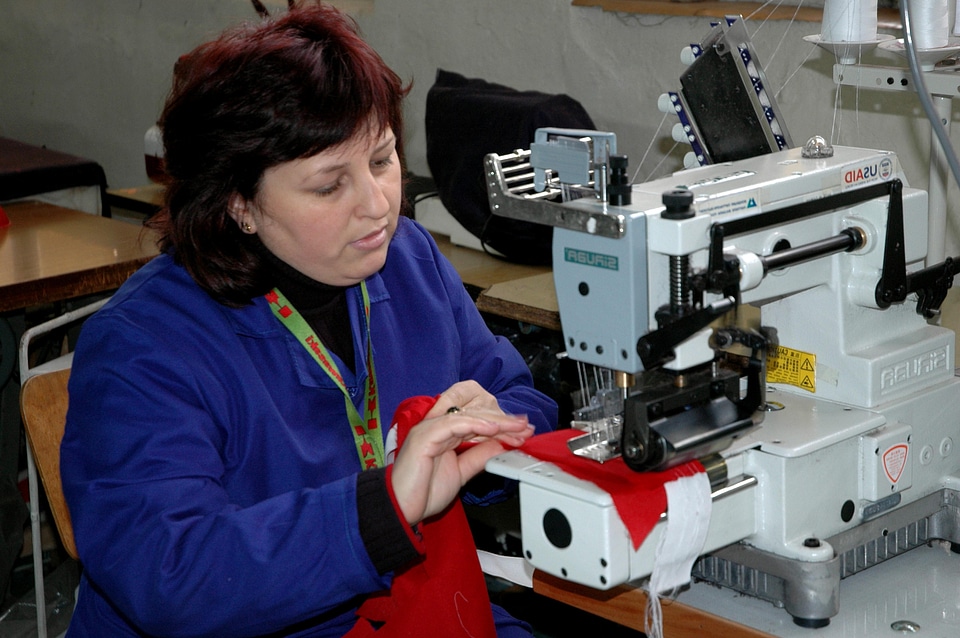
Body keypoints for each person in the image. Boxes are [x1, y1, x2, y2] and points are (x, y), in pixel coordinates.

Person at [59, 3, 557, 636]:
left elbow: (518, 395)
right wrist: (386, 509)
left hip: (417, 605)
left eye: (381, 160)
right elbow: (171, 573)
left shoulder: (408, 260)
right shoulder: (143, 346)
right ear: (239, 202)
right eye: (329, 187)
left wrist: (482, 446)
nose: (378, 206)